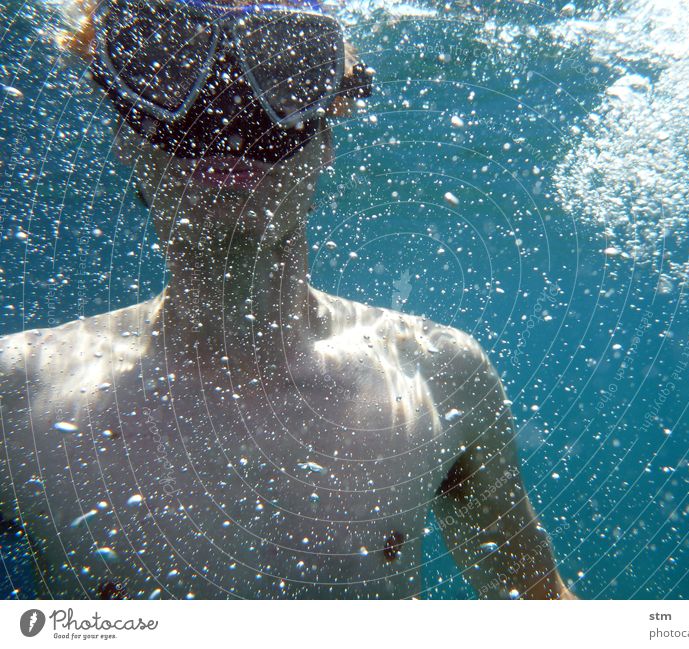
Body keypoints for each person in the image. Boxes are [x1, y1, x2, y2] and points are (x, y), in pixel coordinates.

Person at [0, 0, 575, 599]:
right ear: (123, 133)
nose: (224, 110)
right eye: (167, 65)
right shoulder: (15, 391)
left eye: (285, 69)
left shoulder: (438, 371)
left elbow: (538, 606)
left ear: (325, 138)